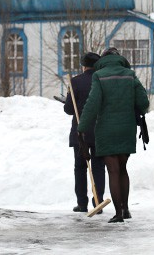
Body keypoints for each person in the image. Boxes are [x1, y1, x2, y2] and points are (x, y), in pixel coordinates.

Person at [78, 47, 150, 223]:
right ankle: (125, 209)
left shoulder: (99, 76)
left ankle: (118, 213)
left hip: (106, 129)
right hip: (127, 128)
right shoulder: (129, 75)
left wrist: (82, 127)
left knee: (113, 171)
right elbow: (143, 102)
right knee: (123, 169)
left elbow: (93, 104)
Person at [63, 52, 105, 213]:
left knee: (80, 167)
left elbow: (68, 109)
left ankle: (82, 203)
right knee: (98, 167)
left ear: (84, 65)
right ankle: (98, 200)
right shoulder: (101, 80)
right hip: (99, 130)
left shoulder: (75, 82)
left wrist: (69, 97)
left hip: (80, 131)